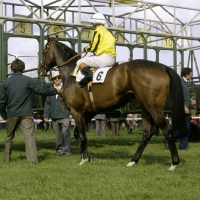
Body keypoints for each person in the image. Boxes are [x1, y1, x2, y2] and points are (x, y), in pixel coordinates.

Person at [0, 58, 62, 163]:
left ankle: (7, 159)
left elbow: (1, 101)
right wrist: (55, 91)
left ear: (12, 69)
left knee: (9, 137)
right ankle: (32, 160)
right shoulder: (28, 80)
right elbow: (41, 91)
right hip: (26, 113)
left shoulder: (6, 82)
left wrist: (4, 114)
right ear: (23, 68)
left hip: (12, 113)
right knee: (29, 137)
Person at [77, 12, 117, 87]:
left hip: (103, 59)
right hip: (111, 59)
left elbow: (93, 47)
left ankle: (88, 75)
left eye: (92, 23)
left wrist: (85, 49)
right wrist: (95, 54)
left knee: (79, 62)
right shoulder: (109, 33)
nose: (92, 25)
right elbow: (103, 47)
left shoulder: (97, 31)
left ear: (95, 23)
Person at [163, 67, 196, 150]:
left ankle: (183, 147)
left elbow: (184, 95)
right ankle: (168, 139)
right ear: (186, 74)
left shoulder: (185, 83)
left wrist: (190, 99)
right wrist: (184, 106)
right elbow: (178, 97)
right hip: (181, 109)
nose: (192, 76)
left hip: (186, 108)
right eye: (191, 74)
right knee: (185, 128)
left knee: (187, 129)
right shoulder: (180, 82)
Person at [44, 70, 71, 156]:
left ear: (62, 78)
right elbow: (47, 104)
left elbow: (71, 102)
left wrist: (71, 113)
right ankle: (59, 151)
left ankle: (67, 151)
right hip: (54, 116)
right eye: (55, 78)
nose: (57, 79)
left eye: (59, 77)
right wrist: (46, 116)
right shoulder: (50, 90)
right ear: (52, 80)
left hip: (65, 115)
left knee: (65, 135)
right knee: (58, 136)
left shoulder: (67, 88)